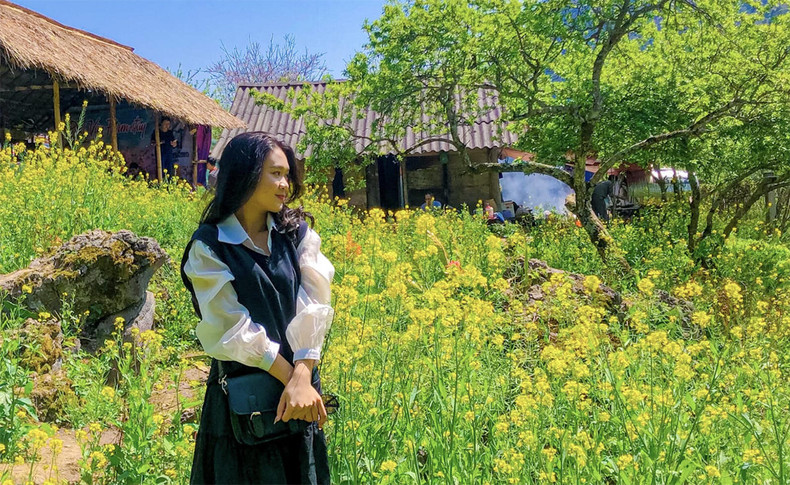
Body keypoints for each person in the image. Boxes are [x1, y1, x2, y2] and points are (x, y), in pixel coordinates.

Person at [180, 132, 334, 484]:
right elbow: (231, 329)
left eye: (287, 175)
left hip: (301, 387)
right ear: (246, 174)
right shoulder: (209, 247)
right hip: (245, 398)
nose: (285, 184)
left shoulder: (296, 234)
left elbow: (315, 304)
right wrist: (291, 379)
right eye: (275, 173)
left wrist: (302, 375)